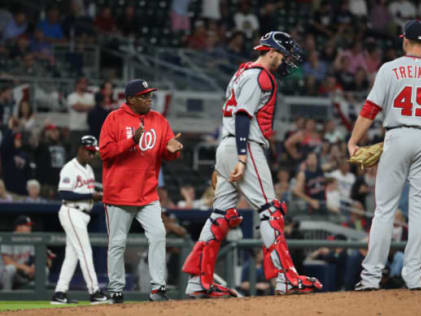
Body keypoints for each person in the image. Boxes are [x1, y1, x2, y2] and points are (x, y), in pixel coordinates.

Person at [182, 31, 322, 298]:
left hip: (227, 145)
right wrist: (243, 157)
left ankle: (198, 281)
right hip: (243, 145)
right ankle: (285, 279)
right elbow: (243, 115)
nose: (285, 61)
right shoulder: (259, 76)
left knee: (219, 215)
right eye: (283, 55)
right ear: (271, 51)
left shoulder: (242, 73)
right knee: (271, 210)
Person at [348, 20, 421, 291]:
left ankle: (372, 277)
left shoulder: (390, 69)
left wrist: (353, 141)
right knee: (420, 209)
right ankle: (414, 276)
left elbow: (371, 109)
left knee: (384, 209)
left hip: (396, 136)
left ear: (404, 40)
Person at [99, 79, 183, 303]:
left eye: (150, 95)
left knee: (158, 235)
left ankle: (158, 289)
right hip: (118, 195)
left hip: (147, 193)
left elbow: (167, 149)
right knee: (117, 243)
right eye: (144, 96)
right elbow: (104, 153)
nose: (149, 99)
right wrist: (130, 141)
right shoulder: (114, 118)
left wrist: (173, 150)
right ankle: (115, 290)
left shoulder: (158, 120)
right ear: (131, 99)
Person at [50, 135, 109, 305]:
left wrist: (98, 195)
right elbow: (64, 193)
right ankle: (94, 291)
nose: (91, 155)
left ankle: (59, 293)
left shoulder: (89, 170)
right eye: (89, 151)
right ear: (81, 149)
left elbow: (90, 192)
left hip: (83, 214)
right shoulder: (69, 168)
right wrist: (91, 195)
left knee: (72, 255)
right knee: (85, 251)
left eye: (93, 153)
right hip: (71, 211)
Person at [1, 216, 36, 291]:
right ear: (18, 227)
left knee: (42, 270)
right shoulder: (7, 238)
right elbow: (7, 262)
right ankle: (6, 296)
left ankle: (37, 297)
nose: (30, 228)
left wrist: (33, 267)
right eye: (27, 226)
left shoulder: (30, 240)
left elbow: (33, 259)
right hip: (3, 273)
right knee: (10, 268)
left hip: (20, 273)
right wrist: (25, 268)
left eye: (30, 226)